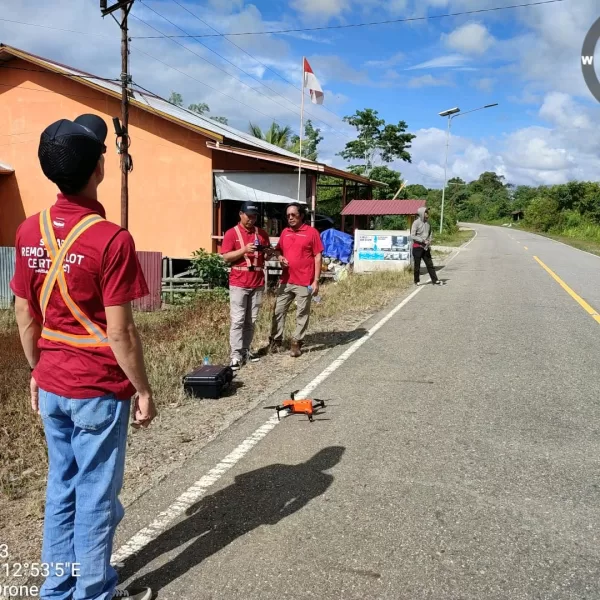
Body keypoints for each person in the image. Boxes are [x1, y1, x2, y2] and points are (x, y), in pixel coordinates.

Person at [10, 114, 156, 600]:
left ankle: (57, 588)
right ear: (99, 166)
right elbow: (121, 331)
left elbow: (24, 315)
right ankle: (93, 592)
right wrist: (142, 387)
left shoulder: (28, 231)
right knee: (95, 494)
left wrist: (37, 370)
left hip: (52, 380)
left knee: (62, 488)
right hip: (97, 387)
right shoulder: (112, 239)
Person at [221, 201, 271, 370]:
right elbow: (226, 257)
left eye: (254, 216)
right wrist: (244, 250)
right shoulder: (231, 234)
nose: (251, 219)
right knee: (238, 320)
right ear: (240, 214)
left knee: (251, 320)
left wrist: (268, 252)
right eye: (249, 216)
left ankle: (246, 350)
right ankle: (235, 355)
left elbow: (267, 256)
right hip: (239, 282)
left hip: (257, 281)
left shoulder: (262, 233)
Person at [269, 203, 324, 357]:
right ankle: (275, 341)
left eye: (293, 215)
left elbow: (318, 256)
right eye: (288, 215)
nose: (290, 218)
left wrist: (316, 281)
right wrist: (280, 257)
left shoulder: (312, 233)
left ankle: (296, 342)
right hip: (286, 280)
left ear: (301, 215)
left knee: (302, 313)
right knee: (278, 311)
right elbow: (278, 249)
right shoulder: (285, 232)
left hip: (305, 281)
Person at [411, 206, 444, 286]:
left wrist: (430, 240)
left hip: (425, 248)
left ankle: (435, 280)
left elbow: (430, 233)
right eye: (426, 212)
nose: (427, 214)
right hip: (417, 247)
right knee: (417, 266)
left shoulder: (428, 223)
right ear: (421, 213)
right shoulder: (416, 223)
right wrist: (422, 240)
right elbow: (412, 236)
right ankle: (416, 281)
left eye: (427, 212)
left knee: (430, 265)